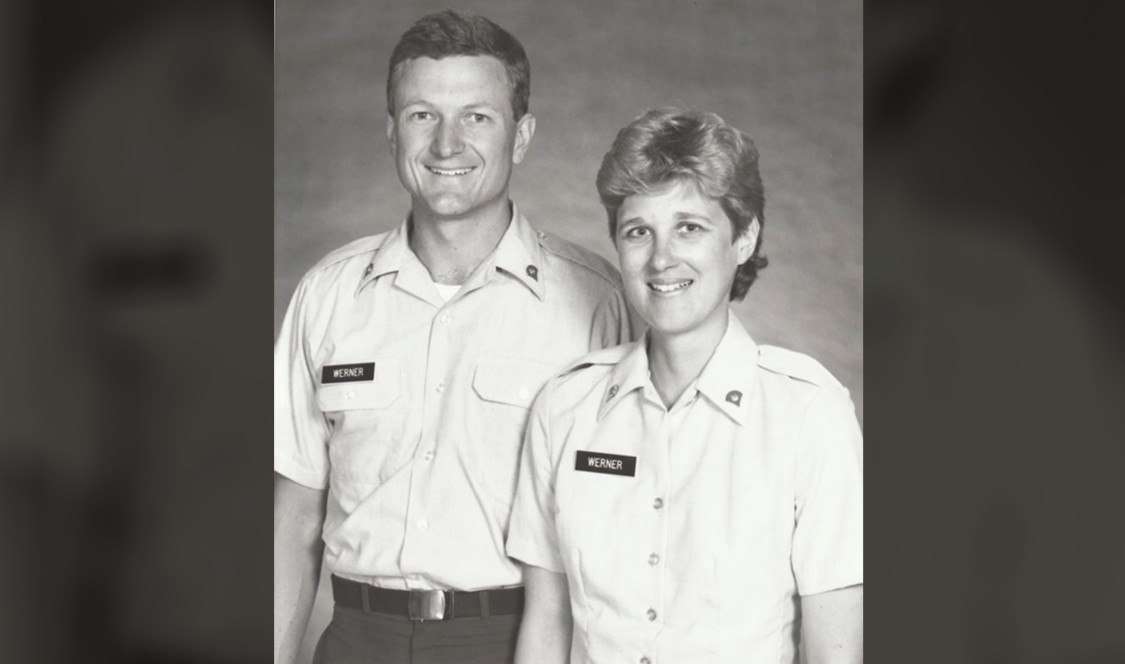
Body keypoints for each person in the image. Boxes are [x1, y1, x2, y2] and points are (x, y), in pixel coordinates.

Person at [273, 11, 632, 664]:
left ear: (520, 136)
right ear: (390, 133)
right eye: (421, 116)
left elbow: (620, 528)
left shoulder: (595, 305)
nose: (446, 144)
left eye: (476, 116)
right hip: (356, 639)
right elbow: (293, 521)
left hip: (514, 640)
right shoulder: (326, 296)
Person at [507, 108, 863, 663]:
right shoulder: (565, 408)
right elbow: (546, 626)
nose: (662, 257)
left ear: (743, 238)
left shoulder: (810, 414)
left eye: (689, 227)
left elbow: (832, 650)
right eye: (638, 232)